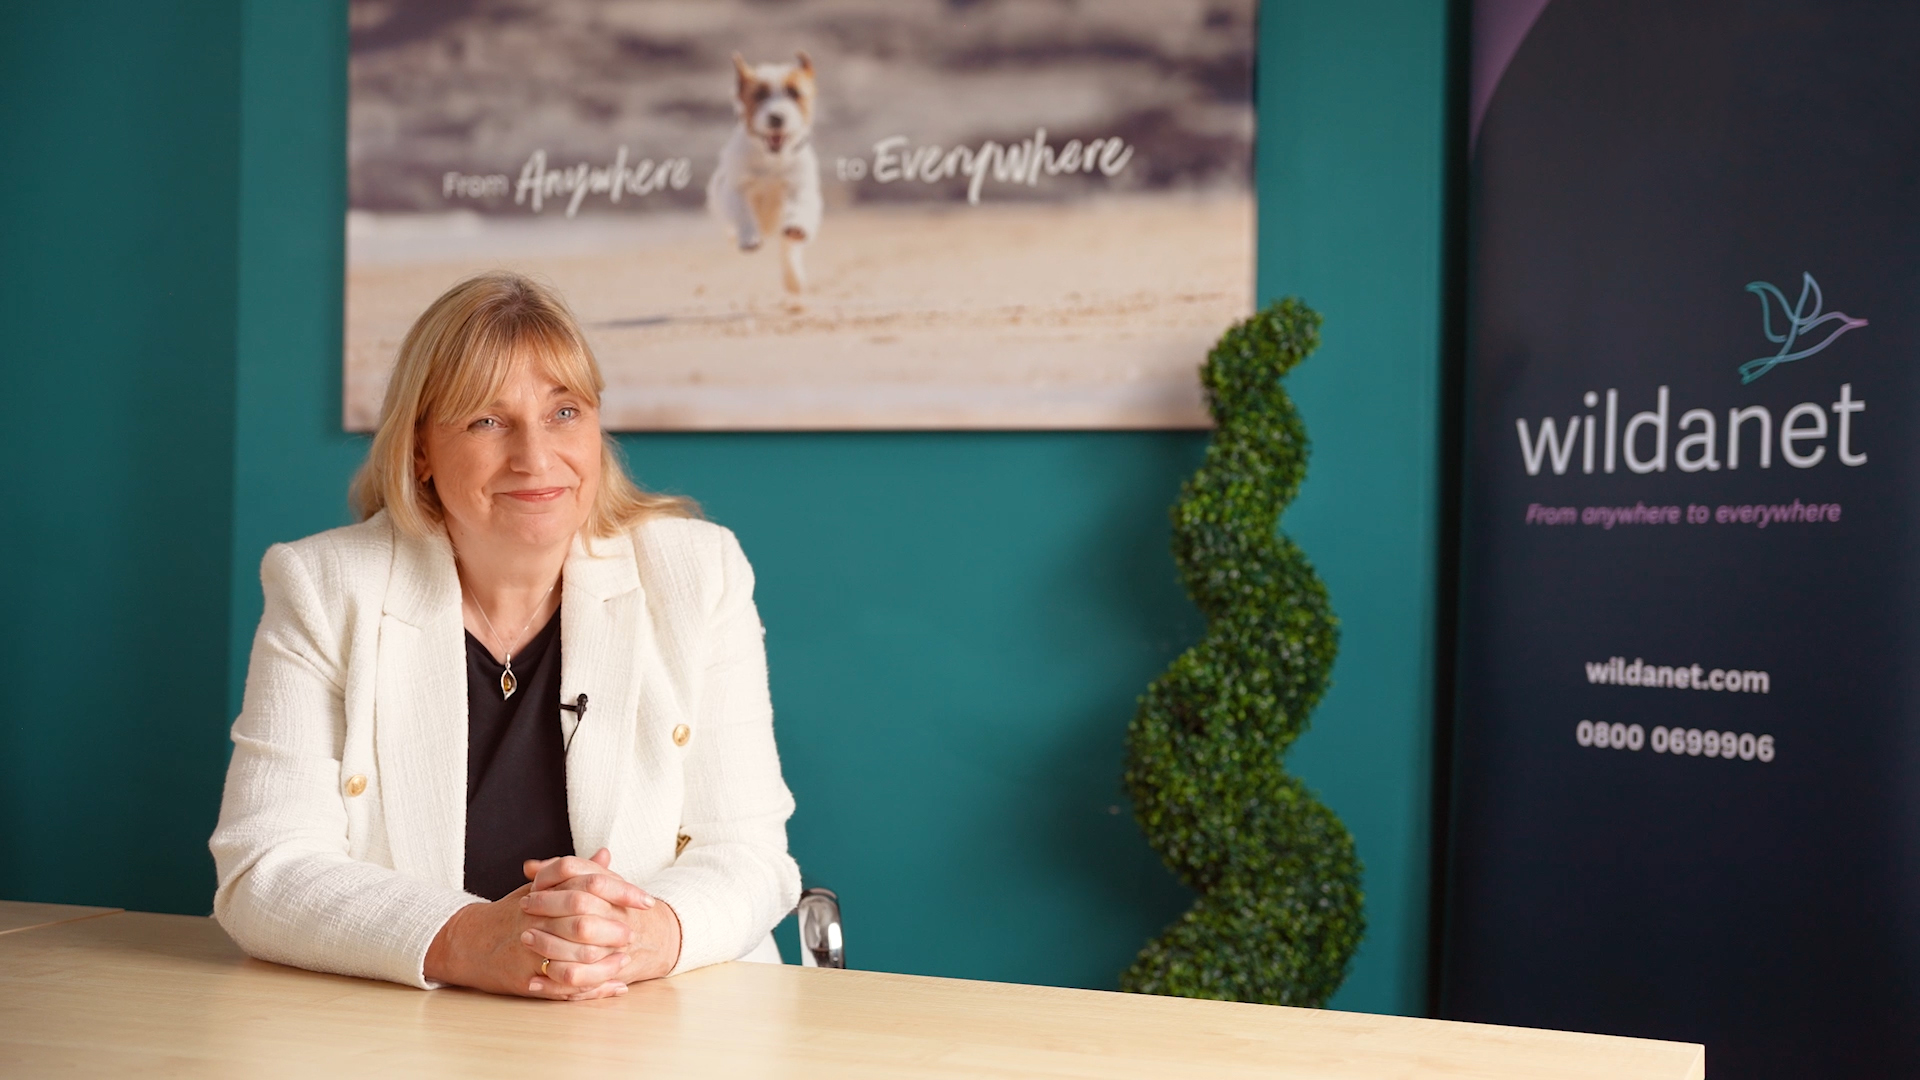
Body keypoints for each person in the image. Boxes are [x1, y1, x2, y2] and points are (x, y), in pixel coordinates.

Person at [209, 272, 799, 1000]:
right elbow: (263, 870)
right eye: (487, 421)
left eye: (564, 412)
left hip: (669, 1021)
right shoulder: (325, 587)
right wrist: (468, 940)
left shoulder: (695, 572)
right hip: (410, 1037)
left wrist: (637, 938)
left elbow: (750, 854)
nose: (535, 457)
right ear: (420, 448)